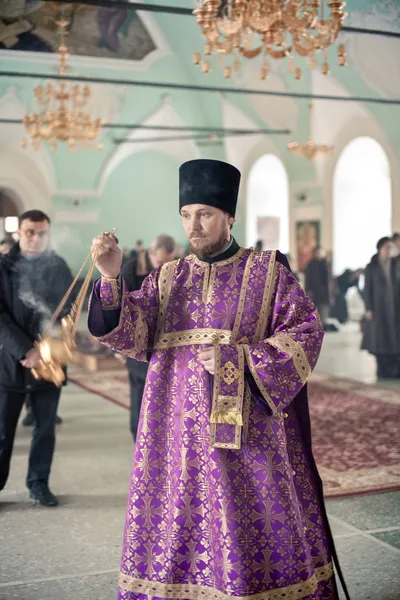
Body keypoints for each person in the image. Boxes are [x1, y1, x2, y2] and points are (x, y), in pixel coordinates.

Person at [88, 159, 349, 600]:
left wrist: (242, 358)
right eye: (187, 215)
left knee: (256, 529)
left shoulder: (268, 272)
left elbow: (306, 333)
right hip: (177, 443)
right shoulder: (167, 278)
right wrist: (111, 277)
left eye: (205, 214)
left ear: (229, 216)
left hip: (251, 441)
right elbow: (130, 332)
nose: (195, 225)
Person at [0, 210, 74, 506]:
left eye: (42, 233)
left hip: (49, 363)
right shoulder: (3, 267)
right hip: (11, 364)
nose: (35, 238)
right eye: (30, 232)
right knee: (3, 433)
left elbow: (67, 310)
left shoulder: (59, 266)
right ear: (18, 233)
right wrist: (25, 350)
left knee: (44, 431)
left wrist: (46, 348)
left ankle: (38, 483)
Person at [121, 235, 176, 441]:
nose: (163, 267)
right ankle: (139, 440)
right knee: (140, 396)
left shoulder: (177, 268)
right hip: (139, 344)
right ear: (151, 253)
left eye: (167, 262)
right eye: (160, 262)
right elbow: (124, 310)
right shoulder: (131, 269)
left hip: (166, 344)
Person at [362, 237, 400, 379]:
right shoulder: (372, 267)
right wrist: (368, 308)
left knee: (394, 339)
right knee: (380, 340)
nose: (388, 251)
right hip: (379, 308)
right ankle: (382, 370)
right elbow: (367, 289)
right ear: (379, 249)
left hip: (394, 308)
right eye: (386, 248)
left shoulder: (396, 265)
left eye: (390, 248)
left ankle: (394, 369)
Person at [305, 246, 330, 329]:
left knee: (324, 310)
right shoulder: (311, 264)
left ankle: (322, 326)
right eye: (318, 253)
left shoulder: (325, 264)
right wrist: (308, 290)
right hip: (314, 292)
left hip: (324, 292)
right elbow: (308, 279)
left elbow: (328, 280)